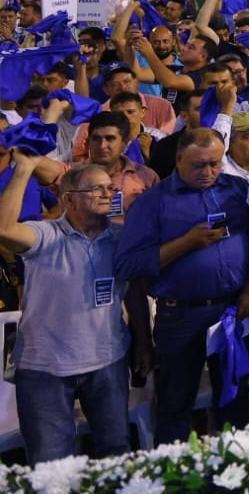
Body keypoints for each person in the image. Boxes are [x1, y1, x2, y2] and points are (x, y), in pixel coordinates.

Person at [114, 127, 249, 446]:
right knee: (175, 407)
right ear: (179, 159)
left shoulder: (236, 189)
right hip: (180, 317)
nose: (208, 172)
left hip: (229, 312)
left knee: (233, 399)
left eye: (215, 163)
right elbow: (128, 265)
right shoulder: (153, 202)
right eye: (199, 165)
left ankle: (233, 474)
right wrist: (185, 243)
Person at [0, 153, 149, 463]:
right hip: (44, 369)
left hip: (108, 361)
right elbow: (4, 229)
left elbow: (133, 291)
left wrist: (144, 343)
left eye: (110, 188)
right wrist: (24, 169)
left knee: (115, 455)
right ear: (69, 199)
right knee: (51, 464)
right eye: (97, 189)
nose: (109, 194)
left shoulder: (121, 239)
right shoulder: (46, 236)